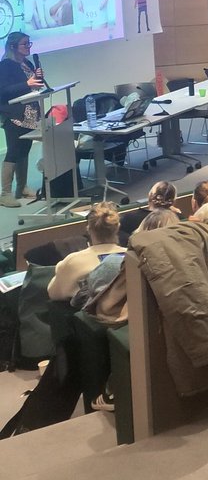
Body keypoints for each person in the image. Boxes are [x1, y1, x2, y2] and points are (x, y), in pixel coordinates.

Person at [47, 202, 126, 300]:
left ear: (88, 229)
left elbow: (53, 294)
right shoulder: (132, 256)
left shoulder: (73, 261)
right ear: (118, 227)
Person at [1, 31, 42, 206]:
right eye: (25, 44)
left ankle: (22, 187)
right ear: (13, 46)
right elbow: (3, 91)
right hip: (14, 115)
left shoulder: (27, 63)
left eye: (29, 43)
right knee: (13, 151)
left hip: (30, 113)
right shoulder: (5, 66)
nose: (28, 47)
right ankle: (5, 193)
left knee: (25, 149)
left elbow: (34, 86)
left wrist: (39, 77)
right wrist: (27, 83)